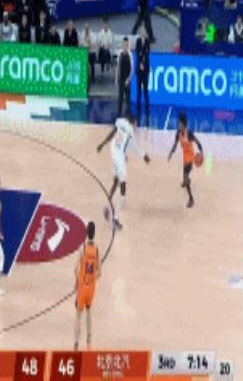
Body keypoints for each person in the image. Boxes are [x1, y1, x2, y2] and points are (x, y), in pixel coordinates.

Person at [96, 115, 148, 229]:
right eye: (136, 125)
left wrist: (102, 144)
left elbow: (112, 134)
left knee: (115, 183)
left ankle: (107, 207)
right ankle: (115, 219)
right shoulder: (131, 132)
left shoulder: (121, 122)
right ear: (134, 123)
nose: (136, 127)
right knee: (123, 190)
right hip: (119, 159)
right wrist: (144, 156)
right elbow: (135, 148)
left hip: (113, 153)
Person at [73, 221, 100, 351]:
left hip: (82, 286)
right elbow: (99, 272)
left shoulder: (82, 249)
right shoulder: (97, 250)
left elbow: (75, 269)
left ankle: (76, 343)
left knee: (78, 316)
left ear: (86, 233)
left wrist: (77, 282)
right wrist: (92, 278)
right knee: (89, 312)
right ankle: (89, 340)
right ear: (94, 234)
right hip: (91, 288)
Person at [168, 113, 203, 209]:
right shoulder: (178, 133)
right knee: (185, 176)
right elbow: (175, 144)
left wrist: (202, 152)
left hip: (190, 158)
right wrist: (171, 153)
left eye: (179, 123)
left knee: (186, 177)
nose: (178, 124)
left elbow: (198, 143)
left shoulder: (189, 133)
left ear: (183, 124)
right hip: (185, 157)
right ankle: (186, 180)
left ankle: (191, 199)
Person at [135, 26, 151, 129]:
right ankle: (138, 107)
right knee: (138, 89)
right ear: (140, 33)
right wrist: (140, 63)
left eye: (144, 32)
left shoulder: (147, 41)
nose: (143, 33)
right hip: (139, 69)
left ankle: (147, 107)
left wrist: (143, 63)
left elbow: (147, 52)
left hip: (145, 69)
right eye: (141, 31)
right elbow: (137, 52)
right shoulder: (137, 41)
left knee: (145, 89)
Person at [116, 38, 133, 118]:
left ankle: (128, 114)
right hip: (121, 79)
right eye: (124, 44)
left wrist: (128, 79)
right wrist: (117, 78)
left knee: (128, 99)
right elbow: (118, 67)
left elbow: (132, 69)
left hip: (127, 79)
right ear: (122, 45)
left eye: (127, 45)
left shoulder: (130, 55)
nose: (125, 46)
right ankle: (118, 114)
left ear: (128, 45)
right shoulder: (120, 54)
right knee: (120, 98)